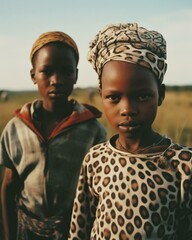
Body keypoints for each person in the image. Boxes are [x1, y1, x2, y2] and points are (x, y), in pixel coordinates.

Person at [69, 23, 192, 239]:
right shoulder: (96, 159)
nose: (127, 109)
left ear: (160, 94)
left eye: (142, 96)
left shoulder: (183, 165)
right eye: (114, 98)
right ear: (101, 95)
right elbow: (80, 227)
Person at [0, 31, 106, 240]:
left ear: (75, 75)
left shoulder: (92, 130)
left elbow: (98, 195)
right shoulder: (15, 128)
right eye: (47, 72)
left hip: (74, 230)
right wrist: (9, 234)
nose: (56, 80)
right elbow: (8, 187)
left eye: (66, 72)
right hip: (27, 231)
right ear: (33, 75)